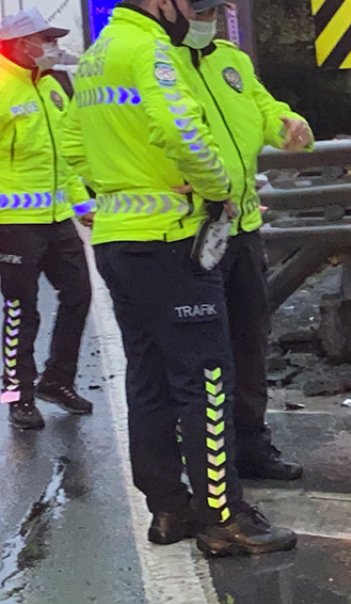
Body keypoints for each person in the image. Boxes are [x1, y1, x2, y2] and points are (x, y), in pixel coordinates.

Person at [62, 0, 295, 556]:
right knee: (207, 379)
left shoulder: (97, 58)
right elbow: (183, 131)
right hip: (171, 239)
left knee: (149, 375)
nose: (202, 12)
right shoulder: (152, 52)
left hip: (122, 236)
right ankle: (224, 516)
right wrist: (215, 189)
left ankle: (168, 507)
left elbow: (72, 144)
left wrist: (117, 185)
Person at [175, 0, 313, 481]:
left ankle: (251, 444)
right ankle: (206, 457)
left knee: (251, 341)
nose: (208, 18)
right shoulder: (159, 63)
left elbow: (264, 108)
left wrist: (289, 125)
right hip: (189, 233)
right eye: (200, 9)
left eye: (216, 9)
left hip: (243, 230)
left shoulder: (232, 60)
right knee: (205, 352)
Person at [0, 9, 96, 430]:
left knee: (78, 294)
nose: (52, 47)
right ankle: (15, 395)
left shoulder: (54, 87)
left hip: (57, 219)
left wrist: (82, 205)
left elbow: (66, 158)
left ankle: (57, 379)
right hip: (12, 222)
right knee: (21, 311)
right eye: (45, 39)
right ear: (19, 43)